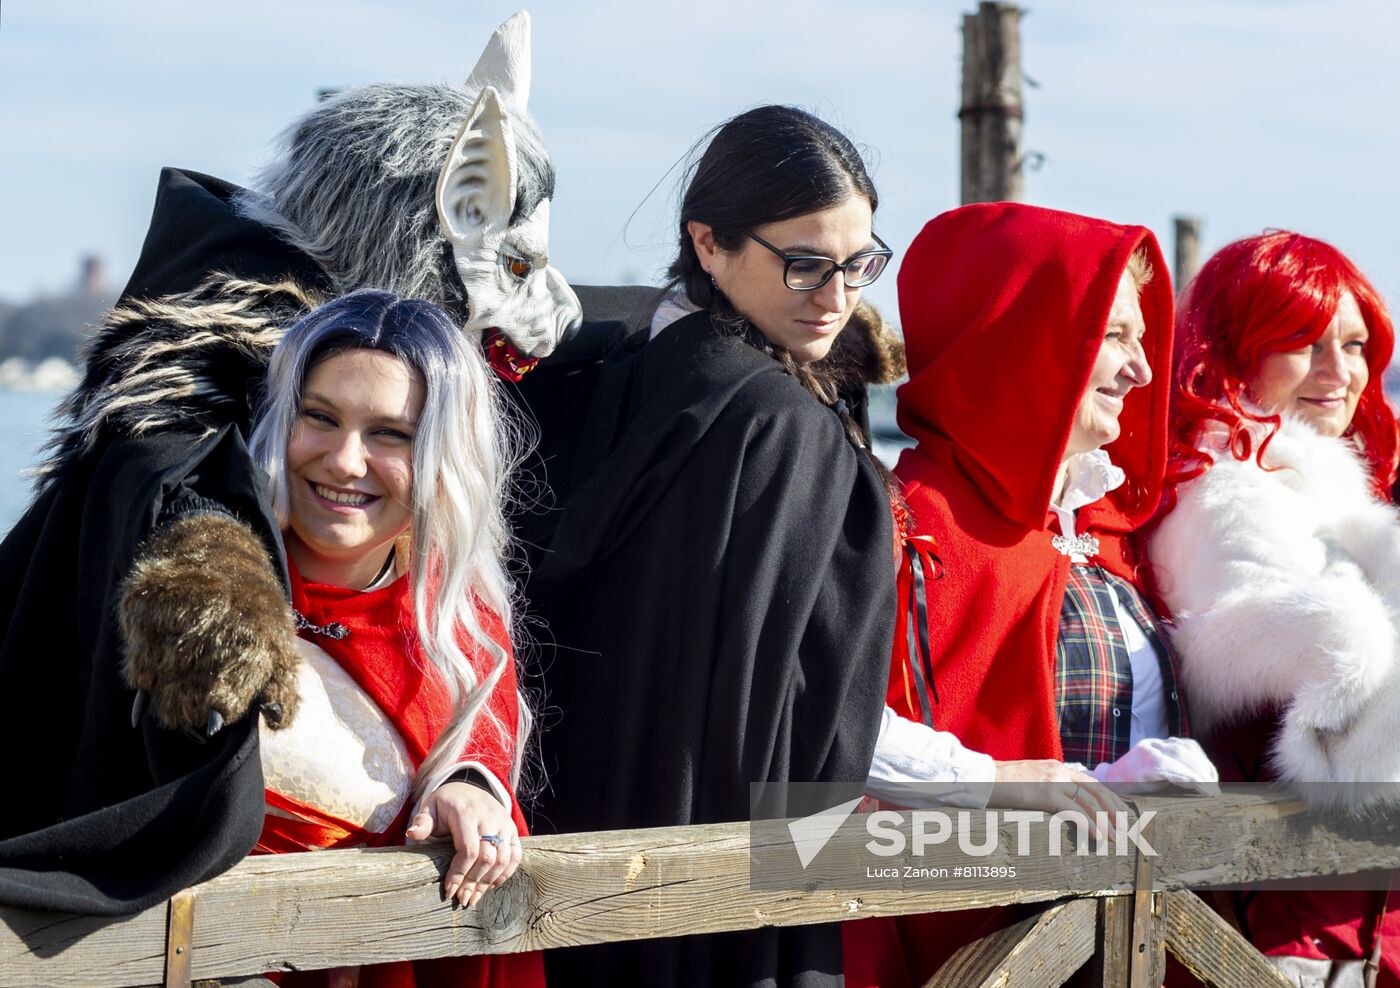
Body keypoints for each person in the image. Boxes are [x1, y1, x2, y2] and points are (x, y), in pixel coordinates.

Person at [526, 105, 905, 988]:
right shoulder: (779, 427)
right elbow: (809, 711)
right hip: (727, 901)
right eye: (805, 263)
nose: (838, 296)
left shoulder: (600, 381)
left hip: (576, 879)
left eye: (859, 264)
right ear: (707, 242)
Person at [887, 202, 1215, 982]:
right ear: (1027, 335)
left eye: (1143, 341)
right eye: (1115, 337)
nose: (1142, 371)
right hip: (977, 944)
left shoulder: (1112, 528)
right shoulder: (910, 523)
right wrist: (999, 785)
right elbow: (832, 733)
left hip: (1124, 940)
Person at [231, 290, 544, 988]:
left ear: (442, 452)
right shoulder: (198, 579)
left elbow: (482, 754)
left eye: (390, 434)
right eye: (320, 418)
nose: (345, 461)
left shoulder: (457, 625)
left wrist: (469, 789)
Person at [1148, 232, 1400, 985]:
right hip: (1286, 931)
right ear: (1232, 347)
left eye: (1354, 345)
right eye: (1302, 342)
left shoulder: (1326, 498)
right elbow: (1348, 751)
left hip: (1352, 921)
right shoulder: (1227, 498)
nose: (1340, 372)